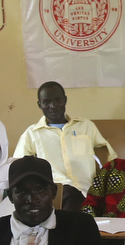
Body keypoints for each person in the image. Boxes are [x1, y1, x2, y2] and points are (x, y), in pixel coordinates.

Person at [14, 82, 115, 212]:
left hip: (89, 191)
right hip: (58, 195)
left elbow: (110, 157)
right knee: (68, 194)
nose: (53, 106)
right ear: (39, 105)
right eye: (46, 102)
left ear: (65, 100)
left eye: (58, 100)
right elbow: (18, 167)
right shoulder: (32, 134)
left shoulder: (86, 126)